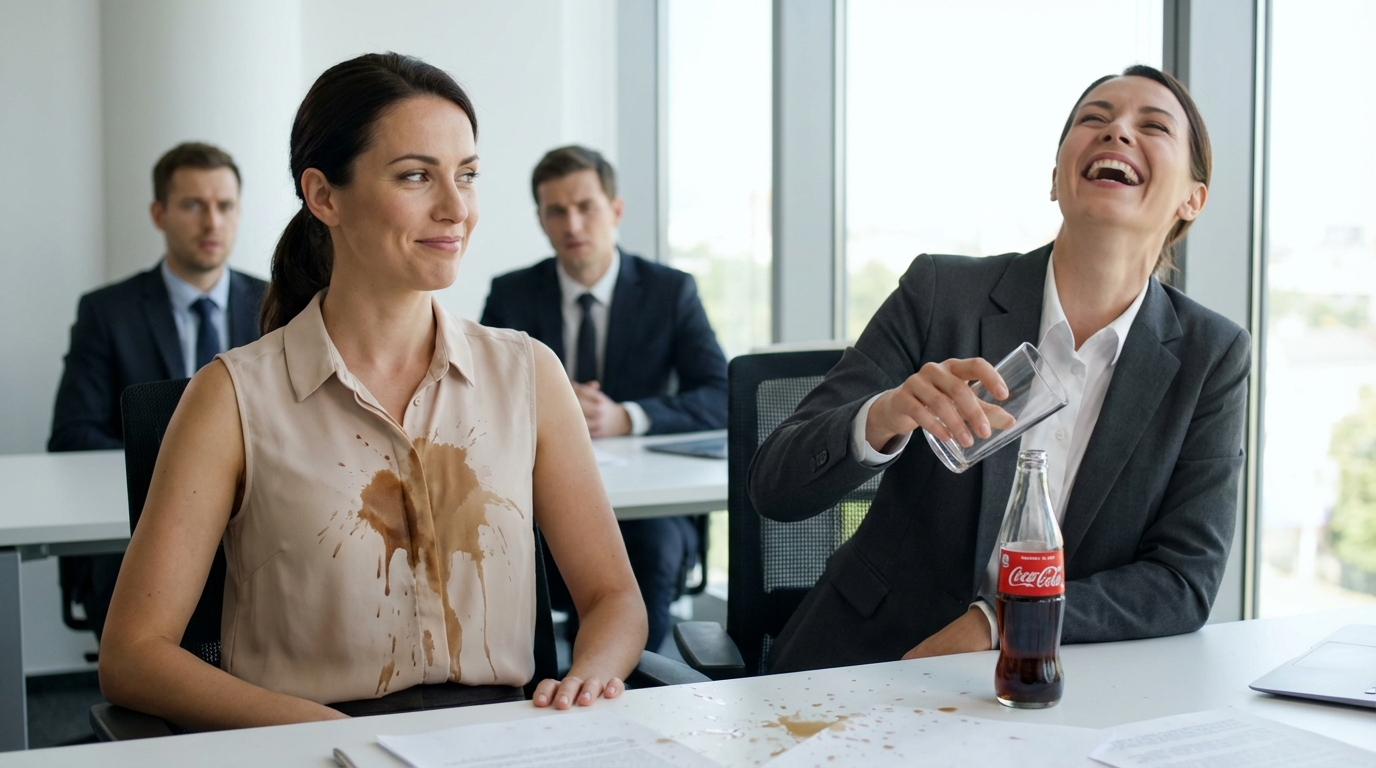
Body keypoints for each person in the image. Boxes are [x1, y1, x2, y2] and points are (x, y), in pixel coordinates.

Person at [98, 53, 647, 730]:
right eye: (416, 176)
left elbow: (613, 598)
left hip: (498, 740)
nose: (456, 208)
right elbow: (132, 654)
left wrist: (587, 681)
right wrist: (327, 735)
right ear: (324, 195)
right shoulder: (231, 397)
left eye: (467, 175)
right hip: (311, 745)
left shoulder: (528, 373)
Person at [750, 65, 1249, 673]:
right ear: (1055, 178)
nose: (1117, 132)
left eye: (1152, 126)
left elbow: (1183, 580)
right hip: (866, 666)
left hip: (1059, 684)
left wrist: (999, 622)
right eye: (1094, 118)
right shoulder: (941, 293)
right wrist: (882, 416)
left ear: (1192, 199)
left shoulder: (1211, 355)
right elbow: (775, 485)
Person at [480, 145, 728, 652]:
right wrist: (543, 402)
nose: (573, 223)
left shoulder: (670, 291)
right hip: (540, 499)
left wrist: (627, 417)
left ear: (614, 210)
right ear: (542, 221)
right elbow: (478, 396)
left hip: (649, 507)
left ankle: (634, 686)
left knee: (652, 550)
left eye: (586, 206)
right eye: (556, 211)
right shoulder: (512, 294)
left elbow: (724, 394)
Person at [49, 142, 267, 639]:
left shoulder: (276, 306)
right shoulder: (107, 313)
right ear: (159, 213)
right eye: (193, 205)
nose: (212, 222)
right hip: (141, 528)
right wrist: (181, 473)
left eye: (225, 206)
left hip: (254, 523)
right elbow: (72, 434)